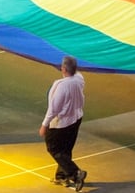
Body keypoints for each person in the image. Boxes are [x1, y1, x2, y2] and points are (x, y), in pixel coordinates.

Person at [39, 56, 87, 191]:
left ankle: (75, 173)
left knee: (54, 149)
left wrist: (44, 125)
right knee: (66, 149)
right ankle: (62, 176)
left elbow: (54, 108)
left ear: (64, 69)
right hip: (76, 118)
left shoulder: (60, 86)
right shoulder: (79, 78)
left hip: (62, 123)